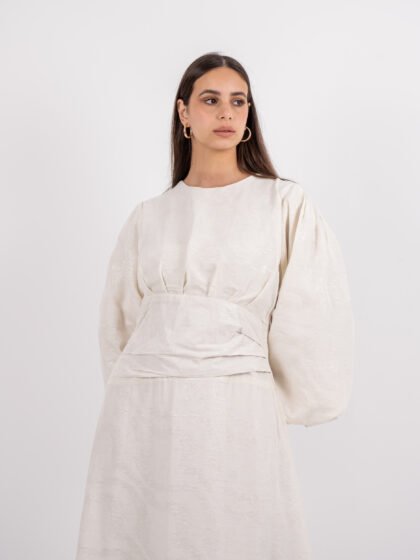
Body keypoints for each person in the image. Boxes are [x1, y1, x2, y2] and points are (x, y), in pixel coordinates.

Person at [75, 51, 355, 560]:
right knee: (143, 534)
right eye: (210, 100)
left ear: (249, 114)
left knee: (233, 532)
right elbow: (119, 326)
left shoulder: (283, 204)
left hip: (236, 403)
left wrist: (276, 399)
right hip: (141, 410)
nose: (226, 112)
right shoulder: (148, 216)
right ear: (184, 112)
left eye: (238, 101)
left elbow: (313, 313)